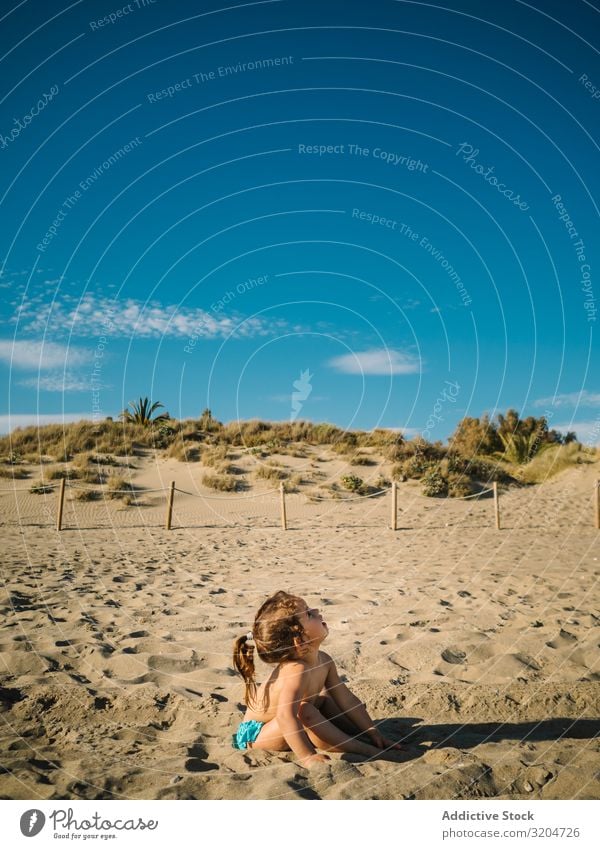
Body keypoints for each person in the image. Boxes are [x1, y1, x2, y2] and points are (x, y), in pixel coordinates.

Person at [232, 590, 402, 770]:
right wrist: (307, 757)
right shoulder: (295, 670)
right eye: (308, 614)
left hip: (287, 723)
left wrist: (372, 731)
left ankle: (364, 737)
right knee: (305, 710)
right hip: (257, 734)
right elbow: (285, 716)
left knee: (325, 701)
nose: (317, 611)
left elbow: (347, 700)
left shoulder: (324, 660)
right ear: (299, 640)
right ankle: (360, 748)